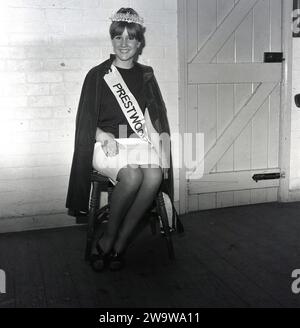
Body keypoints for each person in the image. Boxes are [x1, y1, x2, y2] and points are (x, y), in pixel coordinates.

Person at [66, 8, 174, 271]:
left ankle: (122, 241)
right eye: (118, 37)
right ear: (112, 40)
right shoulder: (98, 75)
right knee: (133, 176)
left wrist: (160, 149)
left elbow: (155, 118)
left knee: (154, 175)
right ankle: (110, 237)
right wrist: (103, 136)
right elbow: (84, 121)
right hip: (104, 143)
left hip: (135, 142)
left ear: (139, 43)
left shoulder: (145, 74)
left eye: (130, 38)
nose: (124, 43)